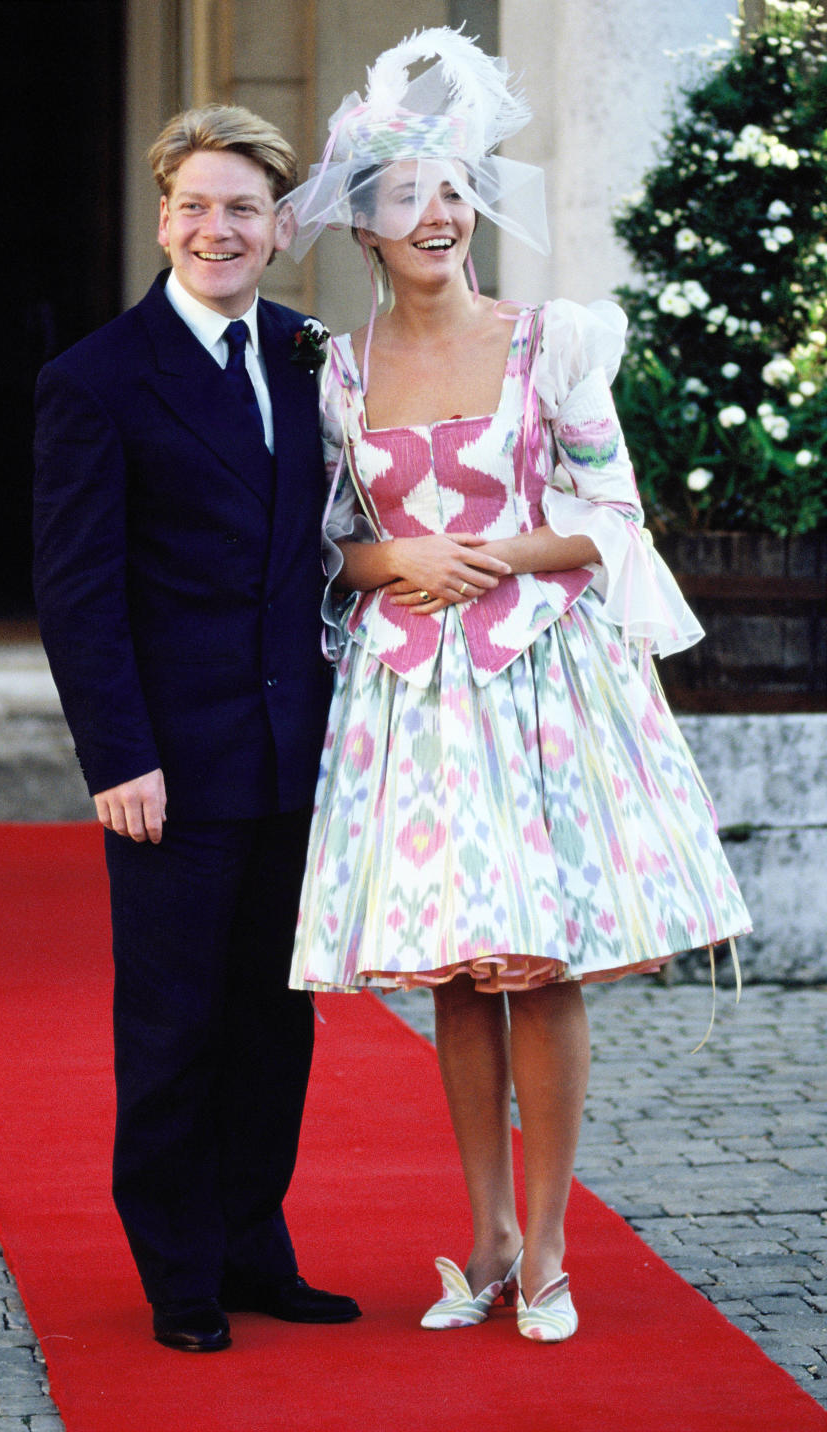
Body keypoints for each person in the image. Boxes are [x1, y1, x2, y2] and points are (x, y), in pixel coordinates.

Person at [280, 28, 751, 1344]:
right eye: (404, 197)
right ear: (364, 231)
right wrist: (397, 555)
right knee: (456, 970)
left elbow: (613, 514)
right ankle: (482, 1237)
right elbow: (328, 545)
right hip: (414, 704)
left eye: (450, 189)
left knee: (538, 968)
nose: (435, 215)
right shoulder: (340, 377)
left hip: (539, 682)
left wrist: (501, 550)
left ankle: (547, 1251)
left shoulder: (556, 342)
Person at [32, 104, 359, 1353]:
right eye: (195, 206)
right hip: (171, 767)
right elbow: (79, 591)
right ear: (162, 215)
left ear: (279, 229)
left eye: (242, 209)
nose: (217, 229)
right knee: (175, 1026)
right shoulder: (96, 379)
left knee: (277, 1021)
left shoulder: (309, 352)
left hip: (297, 757)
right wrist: (119, 756)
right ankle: (178, 1269)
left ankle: (251, 1243)